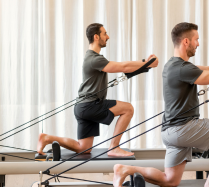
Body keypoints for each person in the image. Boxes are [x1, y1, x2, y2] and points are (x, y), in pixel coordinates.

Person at [113, 22, 209, 187]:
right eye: (196, 40)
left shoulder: (174, 65)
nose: (198, 43)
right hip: (183, 129)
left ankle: (125, 169)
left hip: (171, 132)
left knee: (170, 180)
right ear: (186, 42)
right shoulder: (181, 68)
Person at [37, 23, 159, 157]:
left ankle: (47, 138)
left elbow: (125, 68)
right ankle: (114, 147)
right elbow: (123, 67)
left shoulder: (92, 58)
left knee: (83, 148)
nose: (108, 37)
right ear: (96, 37)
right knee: (128, 108)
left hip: (83, 107)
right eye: (104, 33)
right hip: (90, 105)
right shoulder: (94, 59)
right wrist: (147, 63)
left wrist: (145, 63)